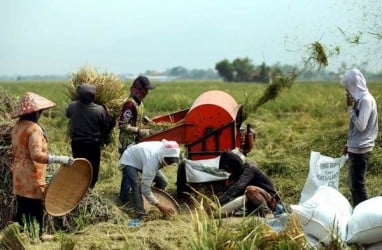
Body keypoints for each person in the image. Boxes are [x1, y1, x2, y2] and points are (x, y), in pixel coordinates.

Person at [11, 92, 73, 239]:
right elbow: (36, 155)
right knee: (35, 208)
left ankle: (17, 236)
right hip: (32, 175)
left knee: (23, 206)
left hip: (19, 174)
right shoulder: (34, 129)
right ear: (36, 112)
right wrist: (61, 159)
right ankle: (36, 237)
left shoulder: (17, 126)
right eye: (40, 112)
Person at [340, 68, 378, 207]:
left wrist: (350, 109)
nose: (347, 92)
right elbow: (355, 129)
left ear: (354, 85)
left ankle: (365, 214)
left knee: (358, 185)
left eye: (348, 87)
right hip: (355, 147)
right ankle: (358, 211)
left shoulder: (366, 101)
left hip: (361, 149)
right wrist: (348, 144)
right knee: (352, 184)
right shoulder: (361, 100)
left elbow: (361, 125)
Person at [66, 84, 116, 189]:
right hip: (92, 145)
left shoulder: (72, 107)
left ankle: (79, 189)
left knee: (79, 168)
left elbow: (68, 114)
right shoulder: (100, 110)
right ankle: (89, 189)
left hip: (77, 144)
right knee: (92, 169)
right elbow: (107, 124)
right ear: (93, 97)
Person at [119, 139, 180, 219]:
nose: (168, 164)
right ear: (163, 155)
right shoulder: (152, 161)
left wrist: (154, 200)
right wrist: (160, 206)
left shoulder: (165, 148)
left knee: (162, 182)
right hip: (129, 159)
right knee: (136, 184)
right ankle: (140, 213)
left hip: (142, 159)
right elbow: (145, 189)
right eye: (167, 161)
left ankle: (151, 199)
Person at [118, 75, 155, 203]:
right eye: (144, 90)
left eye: (147, 91)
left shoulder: (140, 102)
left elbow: (141, 115)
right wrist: (139, 130)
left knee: (133, 172)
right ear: (135, 90)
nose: (146, 93)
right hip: (127, 143)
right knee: (128, 174)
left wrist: (149, 121)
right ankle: (123, 200)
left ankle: (131, 195)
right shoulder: (129, 104)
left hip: (136, 142)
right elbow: (122, 125)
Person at [217, 150, 284, 216]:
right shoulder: (236, 176)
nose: (229, 172)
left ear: (234, 164)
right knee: (234, 190)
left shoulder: (249, 168)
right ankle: (257, 212)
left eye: (230, 169)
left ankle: (268, 214)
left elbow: (238, 187)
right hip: (255, 206)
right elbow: (230, 192)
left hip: (272, 202)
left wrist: (217, 202)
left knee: (250, 190)